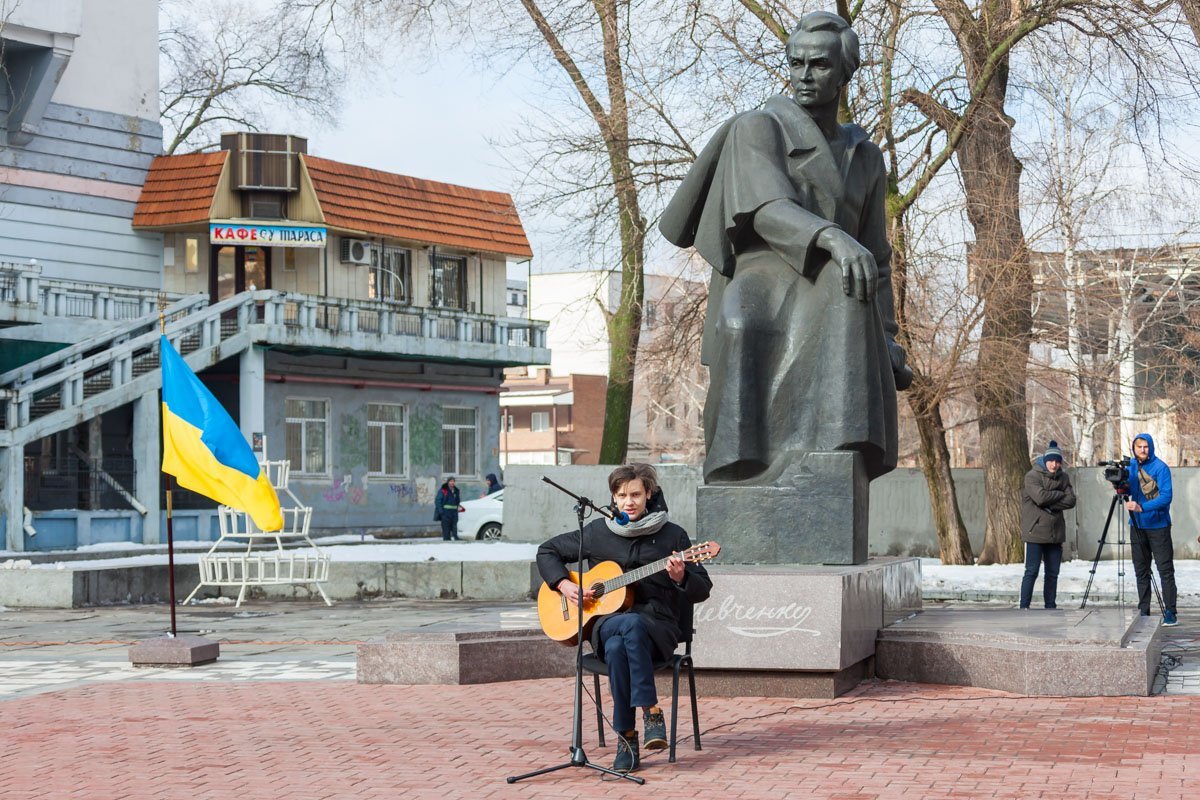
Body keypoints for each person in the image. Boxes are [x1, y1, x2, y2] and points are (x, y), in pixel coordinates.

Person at [659, 11, 911, 486]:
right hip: (763, 275)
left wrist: (887, 338)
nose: (804, 75)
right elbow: (766, 208)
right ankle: (741, 468)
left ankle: (831, 464)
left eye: (819, 64)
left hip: (836, 285)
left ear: (844, 73)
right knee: (742, 324)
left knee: (844, 281)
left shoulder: (865, 156)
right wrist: (833, 238)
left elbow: (875, 257)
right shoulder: (759, 127)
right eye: (796, 63)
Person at [536, 464, 712, 774]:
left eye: (635, 495)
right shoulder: (598, 532)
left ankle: (627, 739)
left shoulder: (673, 535)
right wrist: (564, 585)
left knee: (621, 645)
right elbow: (547, 551)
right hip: (606, 625)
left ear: (649, 494)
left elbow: (703, 588)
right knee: (625, 628)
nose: (628, 502)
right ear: (613, 498)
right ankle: (650, 710)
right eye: (621, 495)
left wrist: (681, 576)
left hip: (658, 629)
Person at [1124, 433, 1177, 625]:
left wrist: (1142, 507)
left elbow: (1166, 497)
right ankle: (1143, 610)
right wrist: (1120, 486)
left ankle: (1170, 611)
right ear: (1134, 448)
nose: (1142, 450)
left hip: (1158, 526)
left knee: (1165, 570)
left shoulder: (1160, 467)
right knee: (1141, 571)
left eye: (1146, 446)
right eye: (1139, 447)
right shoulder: (1131, 465)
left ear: (1151, 447)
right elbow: (1129, 490)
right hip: (1137, 525)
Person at [1019, 441, 1076, 609]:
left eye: (1057, 461)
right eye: (1051, 461)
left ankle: (1050, 607)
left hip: (1055, 532)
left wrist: (1050, 503)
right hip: (1035, 531)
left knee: (1052, 573)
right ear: (1045, 460)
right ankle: (1024, 607)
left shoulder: (1063, 477)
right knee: (1031, 571)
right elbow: (1040, 498)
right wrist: (1059, 494)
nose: (1054, 464)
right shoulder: (1032, 476)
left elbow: (1071, 500)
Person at [434, 477, 463, 541]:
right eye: (451, 481)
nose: (452, 482)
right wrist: (441, 512)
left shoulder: (456, 490)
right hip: (446, 513)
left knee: (455, 528)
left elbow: (458, 501)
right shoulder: (443, 490)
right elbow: (438, 501)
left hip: (454, 513)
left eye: (453, 481)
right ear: (448, 482)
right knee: (446, 530)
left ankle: (458, 543)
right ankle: (447, 543)